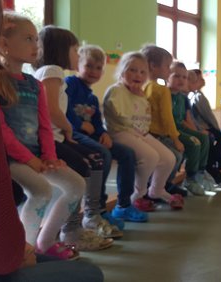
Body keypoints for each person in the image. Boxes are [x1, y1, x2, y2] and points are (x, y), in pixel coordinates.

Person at [0, 3, 103, 281]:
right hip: (12, 157)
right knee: (40, 190)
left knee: (75, 183)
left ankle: (43, 243)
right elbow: (3, 131)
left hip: (35, 154)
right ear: (4, 44)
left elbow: (45, 126)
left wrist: (49, 155)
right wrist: (29, 159)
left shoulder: (35, 84)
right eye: (28, 39)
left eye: (36, 39)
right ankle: (24, 250)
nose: (36, 45)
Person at [32, 25, 114, 251]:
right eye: (75, 50)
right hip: (51, 139)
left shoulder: (50, 72)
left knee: (94, 159)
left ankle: (82, 220)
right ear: (61, 49)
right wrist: (69, 128)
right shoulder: (53, 71)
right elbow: (51, 109)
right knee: (84, 166)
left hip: (55, 137)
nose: (78, 55)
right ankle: (72, 229)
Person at [65, 45, 140, 225]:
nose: (93, 71)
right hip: (71, 134)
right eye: (89, 66)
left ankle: (123, 204)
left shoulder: (91, 97)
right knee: (103, 155)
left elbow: (97, 122)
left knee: (127, 154)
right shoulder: (70, 84)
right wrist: (78, 123)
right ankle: (97, 207)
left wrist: (104, 133)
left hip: (89, 136)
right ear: (78, 65)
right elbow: (62, 109)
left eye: (98, 68)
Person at [103, 52, 176, 216]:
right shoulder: (117, 91)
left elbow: (144, 120)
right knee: (150, 157)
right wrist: (135, 96)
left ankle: (156, 190)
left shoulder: (140, 94)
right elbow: (119, 116)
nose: (138, 75)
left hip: (138, 133)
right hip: (119, 132)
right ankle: (137, 195)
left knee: (168, 158)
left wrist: (141, 99)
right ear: (122, 72)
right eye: (132, 70)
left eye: (143, 72)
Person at [140, 44, 188, 198]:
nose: (169, 70)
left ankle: (152, 187)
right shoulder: (161, 90)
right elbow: (167, 118)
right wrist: (176, 139)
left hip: (144, 132)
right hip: (156, 134)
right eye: (167, 66)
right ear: (153, 66)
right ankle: (161, 186)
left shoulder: (143, 86)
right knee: (176, 156)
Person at [167, 61, 212, 195]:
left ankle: (200, 172)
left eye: (184, 77)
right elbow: (168, 121)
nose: (181, 80)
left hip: (181, 127)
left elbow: (187, 119)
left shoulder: (183, 97)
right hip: (171, 129)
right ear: (167, 76)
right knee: (194, 143)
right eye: (176, 76)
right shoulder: (165, 94)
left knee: (204, 137)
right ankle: (190, 178)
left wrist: (197, 132)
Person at [187, 69, 221, 185]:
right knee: (218, 138)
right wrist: (215, 129)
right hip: (202, 127)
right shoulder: (198, 96)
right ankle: (217, 165)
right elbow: (208, 116)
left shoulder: (196, 95)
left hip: (202, 127)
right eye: (200, 79)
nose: (203, 80)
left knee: (219, 138)